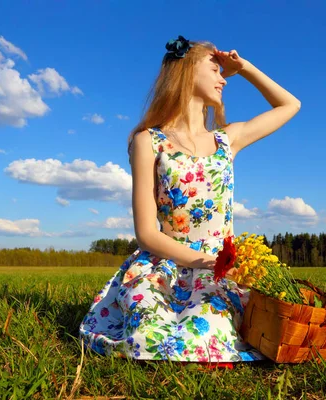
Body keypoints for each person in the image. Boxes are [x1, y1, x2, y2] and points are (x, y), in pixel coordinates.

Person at [79, 35, 301, 363]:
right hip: (164, 265)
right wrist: (197, 261)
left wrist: (247, 68)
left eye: (224, 72)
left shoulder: (228, 139)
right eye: (214, 69)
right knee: (145, 334)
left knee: (209, 328)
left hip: (220, 267)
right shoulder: (148, 141)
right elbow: (147, 233)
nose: (223, 78)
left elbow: (290, 105)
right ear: (185, 70)